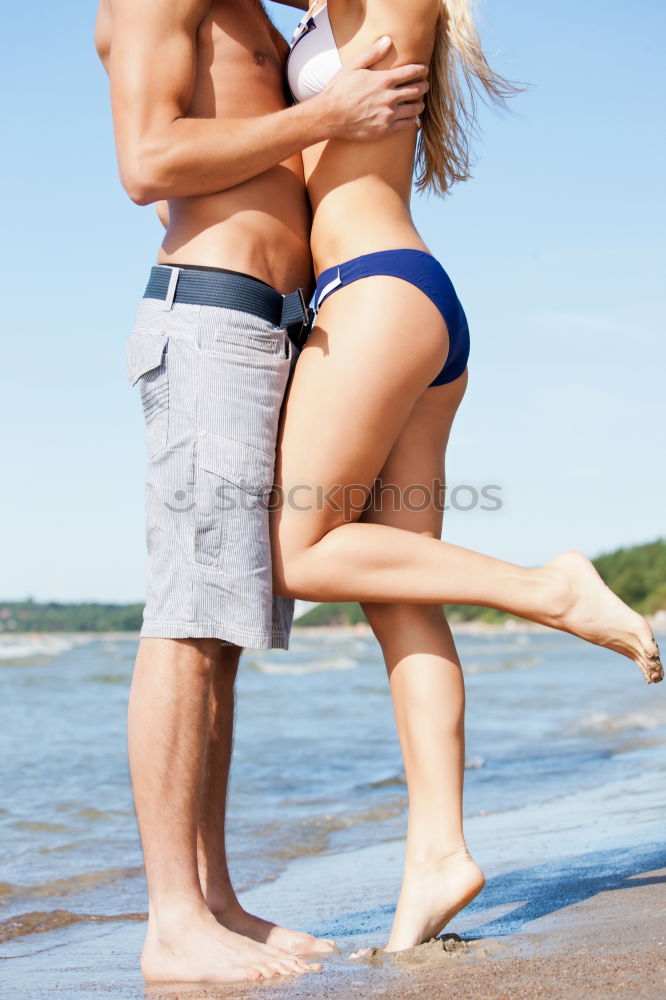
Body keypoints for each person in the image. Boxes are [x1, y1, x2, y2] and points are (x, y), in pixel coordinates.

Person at [269, 0, 664, 953]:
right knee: (402, 592)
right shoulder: (336, 16)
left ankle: (550, 589)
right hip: (395, 293)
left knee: (301, 554)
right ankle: (437, 858)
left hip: (374, 295)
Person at [94, 0, 431, 984]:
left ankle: (215, 900)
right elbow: (146, 162)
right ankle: (171, 922)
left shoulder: (260, 12)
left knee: (223, 636)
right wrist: (329, 117)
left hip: (265, 328)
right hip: (210, 323)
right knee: (188, 623)